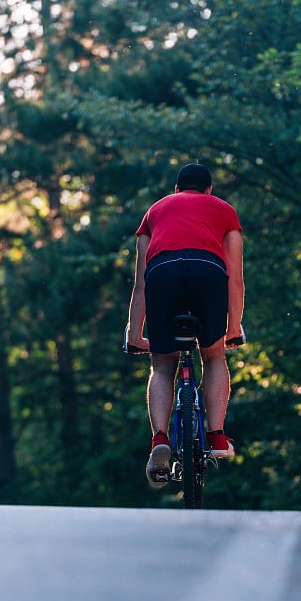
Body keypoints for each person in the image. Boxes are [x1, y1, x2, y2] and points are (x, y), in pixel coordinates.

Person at [125, 162, 245, 488]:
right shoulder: (223, 210)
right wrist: (233, 328)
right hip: (208, 270)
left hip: (161, 273)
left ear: (177, 190)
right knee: (215, 355)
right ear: (209, 190)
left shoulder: (155, 211)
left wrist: (134, 334)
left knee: (162, 366)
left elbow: (140, 285)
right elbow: (235, 278)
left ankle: (160, 439)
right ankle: (217, 437)